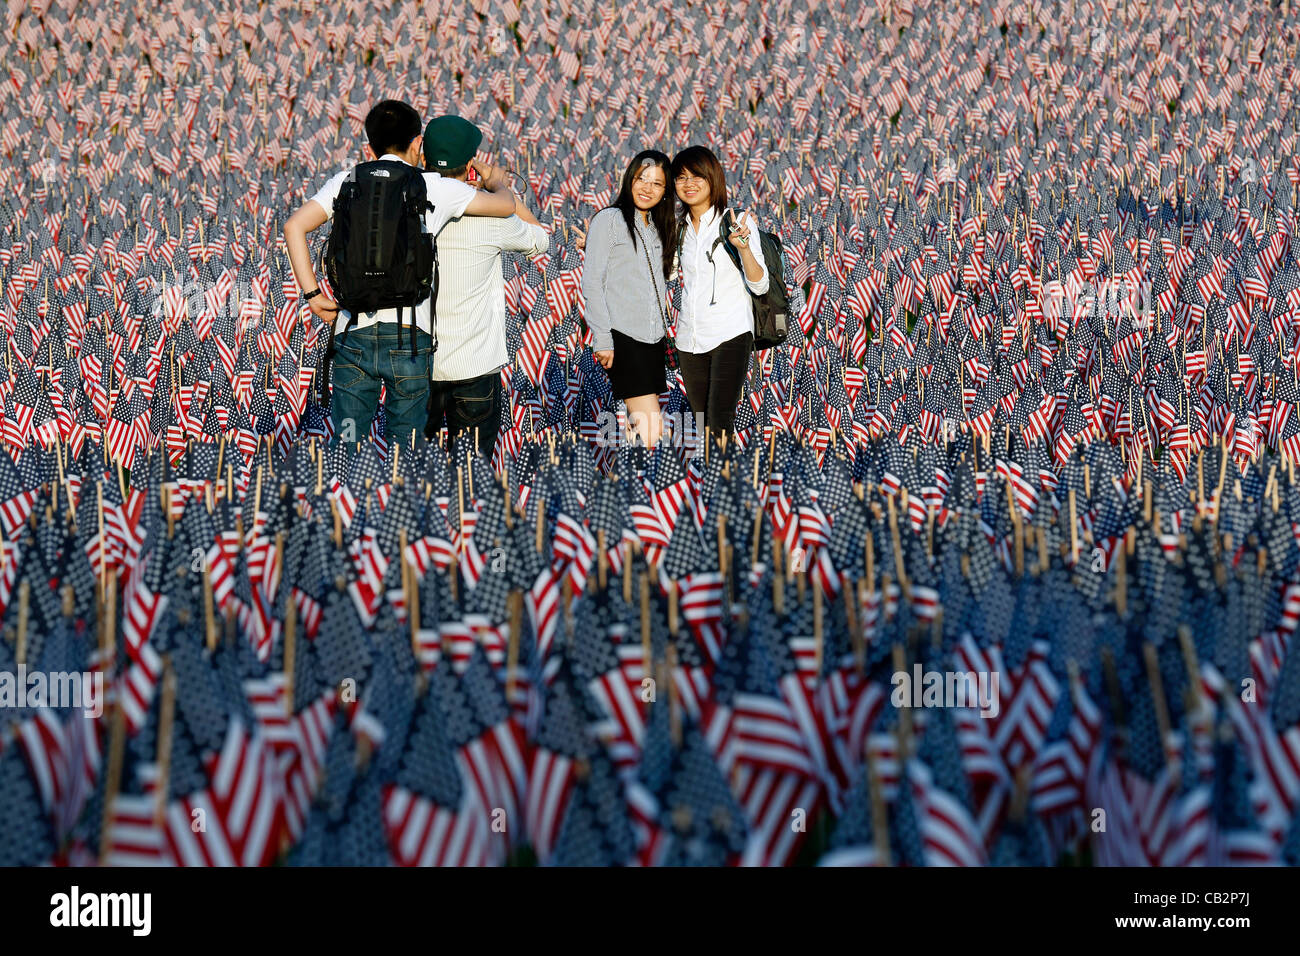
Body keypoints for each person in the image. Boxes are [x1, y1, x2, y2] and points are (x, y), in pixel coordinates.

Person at [283, 99, 517, 446]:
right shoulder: (434, 187)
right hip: (409, 338)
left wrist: (313, 296)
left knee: (347, 441)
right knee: (405, 449)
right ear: (417, 144)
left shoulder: (346, 180)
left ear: (369, 147)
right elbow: (506, 206)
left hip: (353, 332)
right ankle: (398, 497)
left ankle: (343, 494)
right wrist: (496, 181)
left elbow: (293, 227)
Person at [421, 115, 549, 459]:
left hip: (416, 362)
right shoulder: (489, 217)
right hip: (473, 365)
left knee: (415, 471)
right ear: (470, 164)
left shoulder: (407, 205)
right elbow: (540, 239)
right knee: (472, 474)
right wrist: (498, 186)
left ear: (423, 158)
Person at [669, 145, 767, 439]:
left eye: (697, 176)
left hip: (731, 333)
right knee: (705, 428)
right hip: (690, 340)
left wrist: (744, 248)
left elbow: (760, 284)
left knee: (718, 421)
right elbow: (663, 274)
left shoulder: (737, 221)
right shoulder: (678, 229)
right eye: (681, 178)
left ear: (713, 179)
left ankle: (721, 485)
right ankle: (727, 481)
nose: (689, 184)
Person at [581, 150, 675, 447]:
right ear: (629, 180)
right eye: (641, 179)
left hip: (653, 338)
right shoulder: (610, 219)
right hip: (624, 337)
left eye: (657, 183)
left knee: (646, 427)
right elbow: (592, 282)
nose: (647, 188)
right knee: (652, 429)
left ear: (665, 191)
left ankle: (634, 483)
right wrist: (603, 339)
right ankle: (655, 488)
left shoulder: (659, 226)